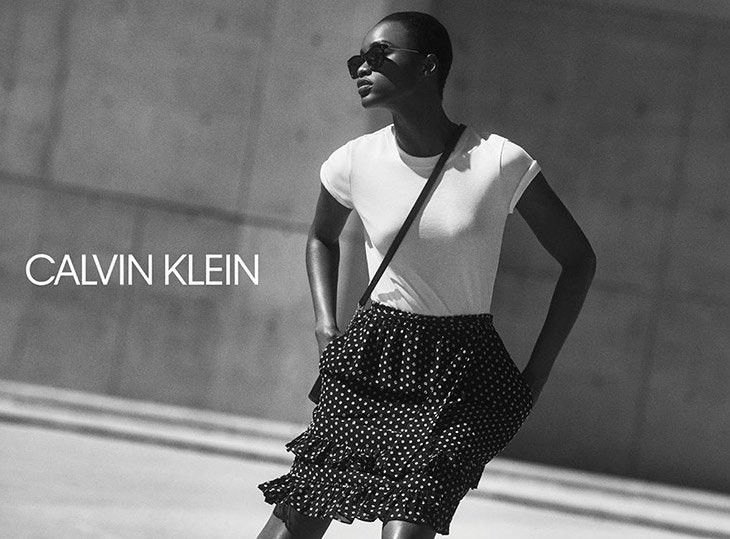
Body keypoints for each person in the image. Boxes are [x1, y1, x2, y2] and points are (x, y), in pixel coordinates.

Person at [257, 11, 596, 539]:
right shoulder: (354, 161)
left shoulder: (499, 161)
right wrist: (326, 325)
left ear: (428, 66)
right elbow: (321, 237)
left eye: (378, 56)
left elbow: (578, 261)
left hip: (459, 374)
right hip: (372, 356)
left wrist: (538, 371)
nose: (362, 69)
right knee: (299, 519)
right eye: (357, 60)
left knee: (409, 530)